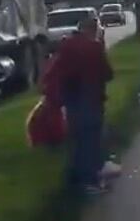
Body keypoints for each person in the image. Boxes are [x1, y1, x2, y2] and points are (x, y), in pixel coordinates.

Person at [44, 14, 114, 194]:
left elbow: (57, 69)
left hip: (71, 98)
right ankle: (90, 181)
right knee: (91, 140)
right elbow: (107, 73)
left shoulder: (66, 45)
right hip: (91, 97)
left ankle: (75, 179)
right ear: (93, 29)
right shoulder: (94, 47)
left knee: (77, 140)